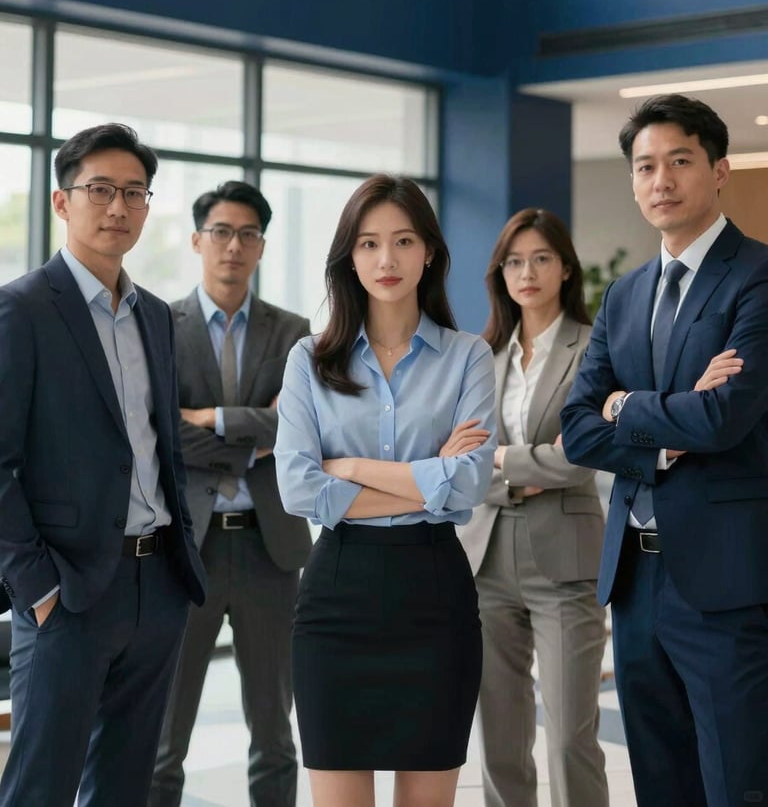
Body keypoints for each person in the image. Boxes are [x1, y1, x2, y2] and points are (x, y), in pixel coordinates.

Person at [561, 93, 768, 807]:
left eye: (679, 160)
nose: (661, 180)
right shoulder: (623, 294)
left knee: (735, 780)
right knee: (658, 778)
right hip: (634, 581)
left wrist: (628, 405)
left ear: (719, 170)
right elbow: (578, 426)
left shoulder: (757, 275)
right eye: (645, 166)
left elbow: (723, 418)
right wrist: (658, 430)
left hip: (724, 582)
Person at [0, 123, 206, 807]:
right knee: (41, 789)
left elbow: (158, 445)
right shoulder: (22, 308)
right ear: (63, 202)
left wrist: (179, 562)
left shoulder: (153, 315)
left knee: (124, 788)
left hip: (159, 585)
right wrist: (39, 588)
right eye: (100, 190)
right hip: (70, 590)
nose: (118, 207)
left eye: (134, 193)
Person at [274, 174, 496, 807]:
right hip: (336, 603)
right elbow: (298, 488)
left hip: (435, 601)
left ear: (429, 252)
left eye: (403, 241)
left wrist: (348, 468)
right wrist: (433, 482)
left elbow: (473, 482)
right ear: (350, 257)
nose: (387, 259)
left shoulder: (468, 357)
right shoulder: (308, 360)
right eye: (369, 244)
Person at [150, 181, 312, 807]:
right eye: (221, 231)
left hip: (270, 553)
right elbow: (160, 433)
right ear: (197, 240)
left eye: (248, 234)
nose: (233, 246)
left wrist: (207, 418)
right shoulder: (161, 323)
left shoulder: (293, 331)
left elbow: (297, 428)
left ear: (262, 246)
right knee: (167, 736)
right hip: (185, 548)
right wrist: (249, 431)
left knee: (274, 732)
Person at [458, 208, 608, 807]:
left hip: (566, 562)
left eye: (541, 258)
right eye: (515, 261)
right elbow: (461, 461)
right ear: (500, 273)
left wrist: (501, 462)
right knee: (499, 733)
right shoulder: (480, 354)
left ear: (565, 269)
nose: (528, 272)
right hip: (486, 559)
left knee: (571, 734)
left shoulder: (594, 347)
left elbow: (585, 455)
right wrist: (523, 467)